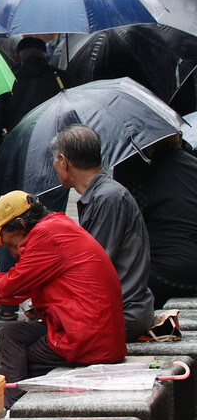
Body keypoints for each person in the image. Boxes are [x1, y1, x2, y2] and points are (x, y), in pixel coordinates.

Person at [0, 191, 126, 408]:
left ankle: (15, 408)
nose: (6, 248)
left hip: (88, 340)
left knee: (20, 358)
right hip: (96, 333)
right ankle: (16, 403)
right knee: (12, 334)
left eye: (6, 240)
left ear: (21, 225)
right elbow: (24, 287)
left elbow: (9, 286)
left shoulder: (45, 236)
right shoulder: (56, 226)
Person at [50, 124, 154, 340]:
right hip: (117, 309)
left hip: (122, 313)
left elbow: (92, 265)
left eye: (55, 161)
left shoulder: (108, 198)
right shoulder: (102, 194)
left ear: (64, 160)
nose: (54, 166)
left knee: (21, 339)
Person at [117, 137, 197, 307]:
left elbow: (126, 226)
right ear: (180, 138)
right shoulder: (193, 165)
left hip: (161, 275)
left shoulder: (140, 172)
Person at [0, 37, 63, 155]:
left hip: (16, 153)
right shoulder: (61, 80)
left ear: (17, 57)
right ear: (47, 58)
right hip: (52, 154)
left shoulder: (7, 80)